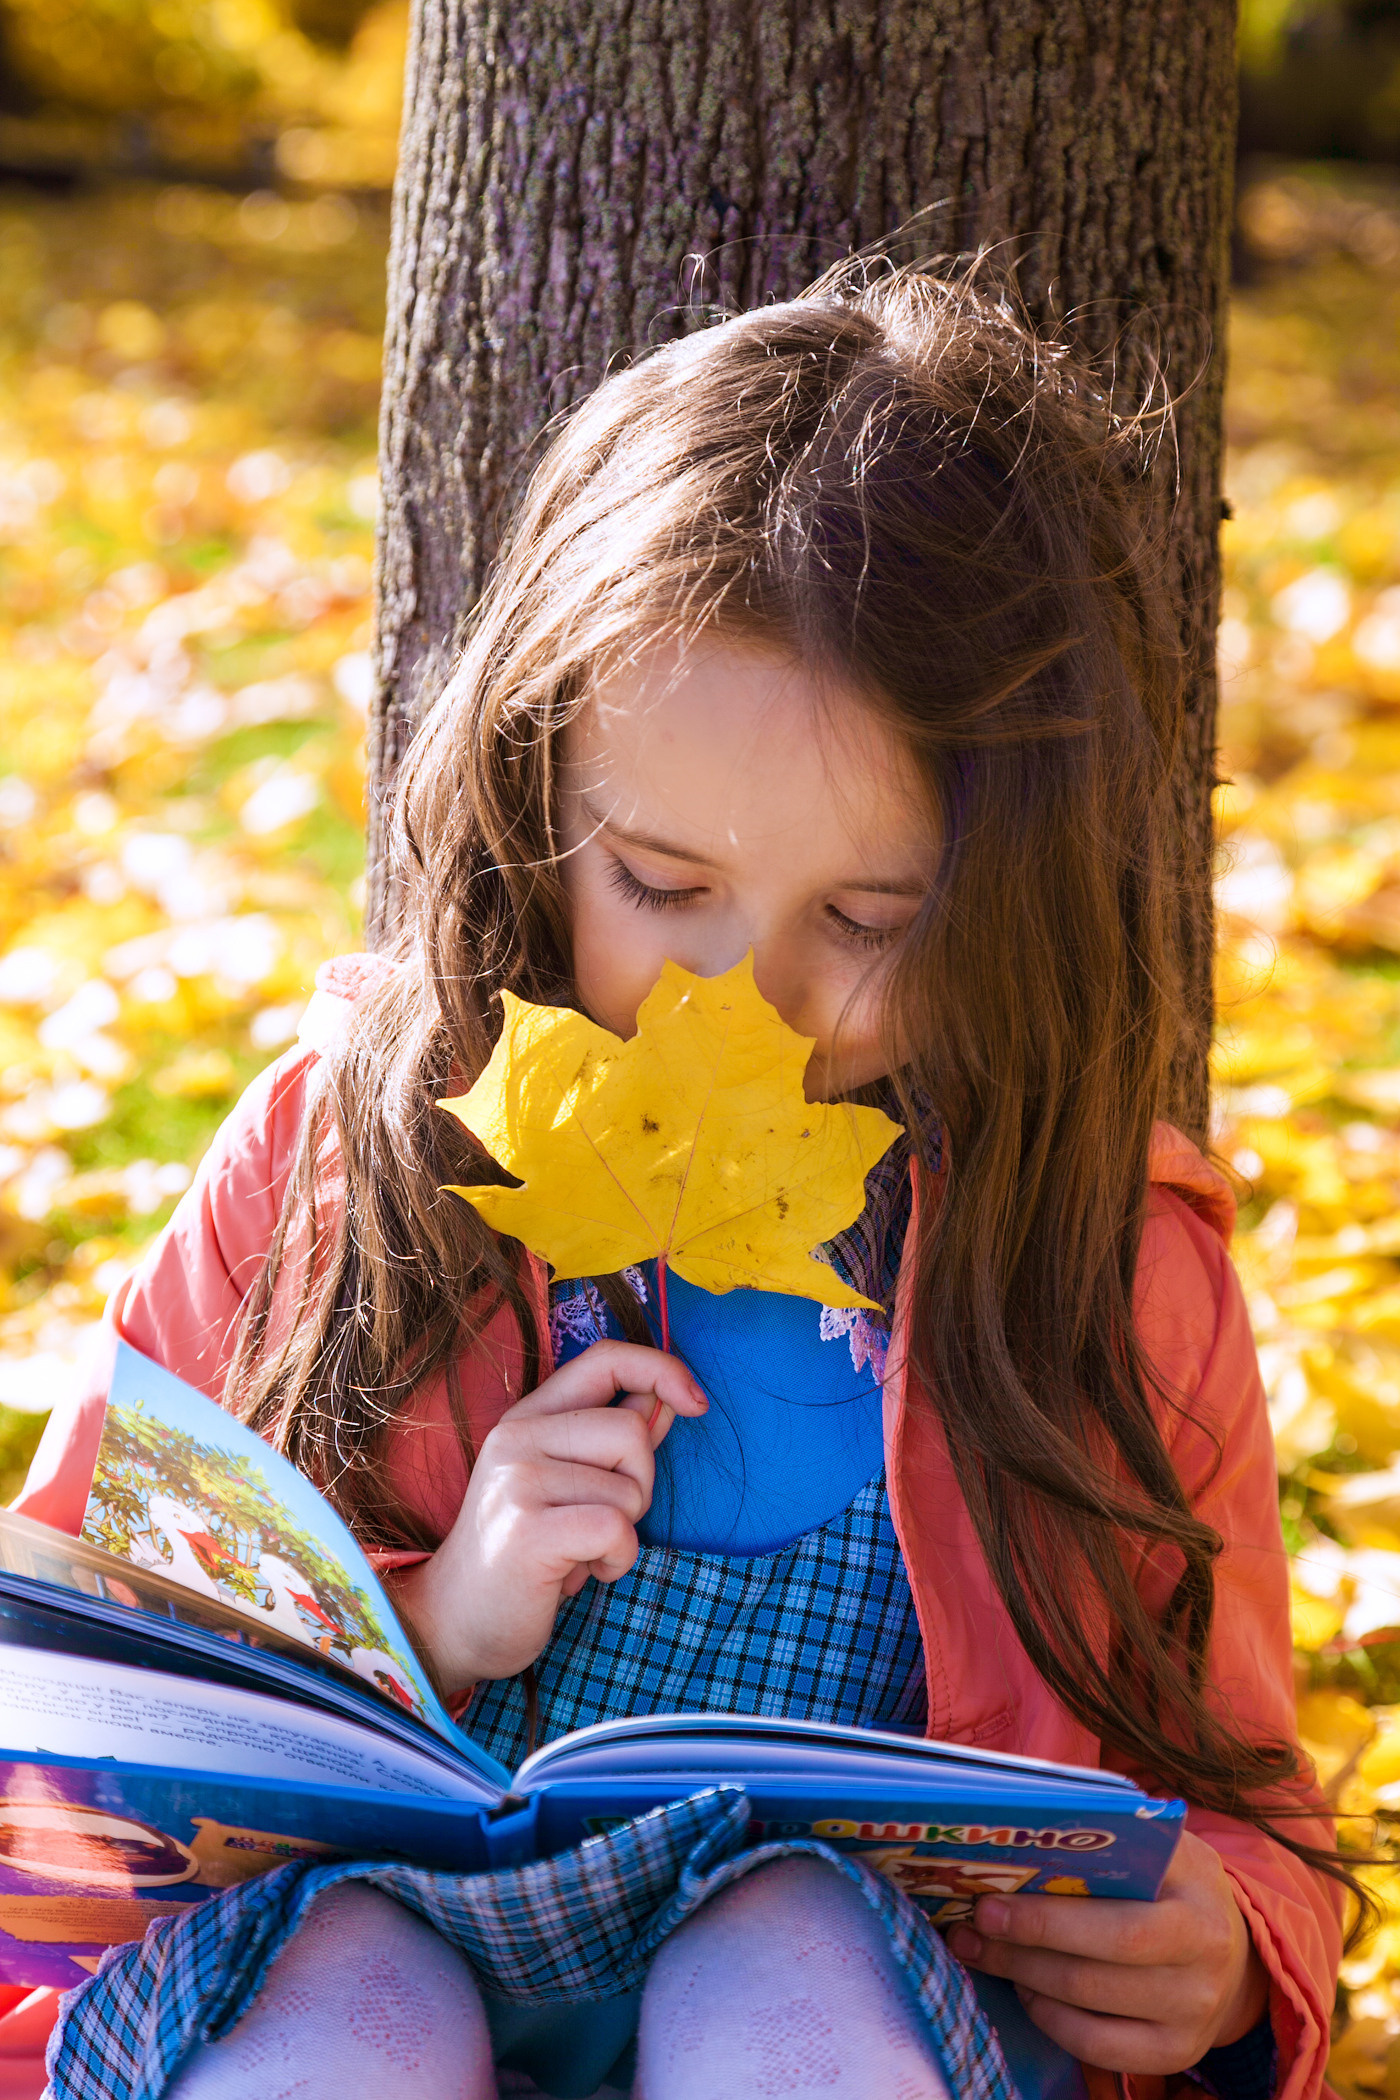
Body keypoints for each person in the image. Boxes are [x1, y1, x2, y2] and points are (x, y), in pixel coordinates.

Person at [15, 264, 1342, 2100]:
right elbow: (73, 1684)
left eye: (871, 921)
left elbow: (1242, 1797)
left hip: (848, 1993)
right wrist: (438, 1627)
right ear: (530, 784)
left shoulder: (1094, 1262)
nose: (749, 1008)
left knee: (782, 1963)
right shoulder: (348, 1160)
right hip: (355, 1941)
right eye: (657, 881)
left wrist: (1226, 1947)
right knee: (344, 2015)